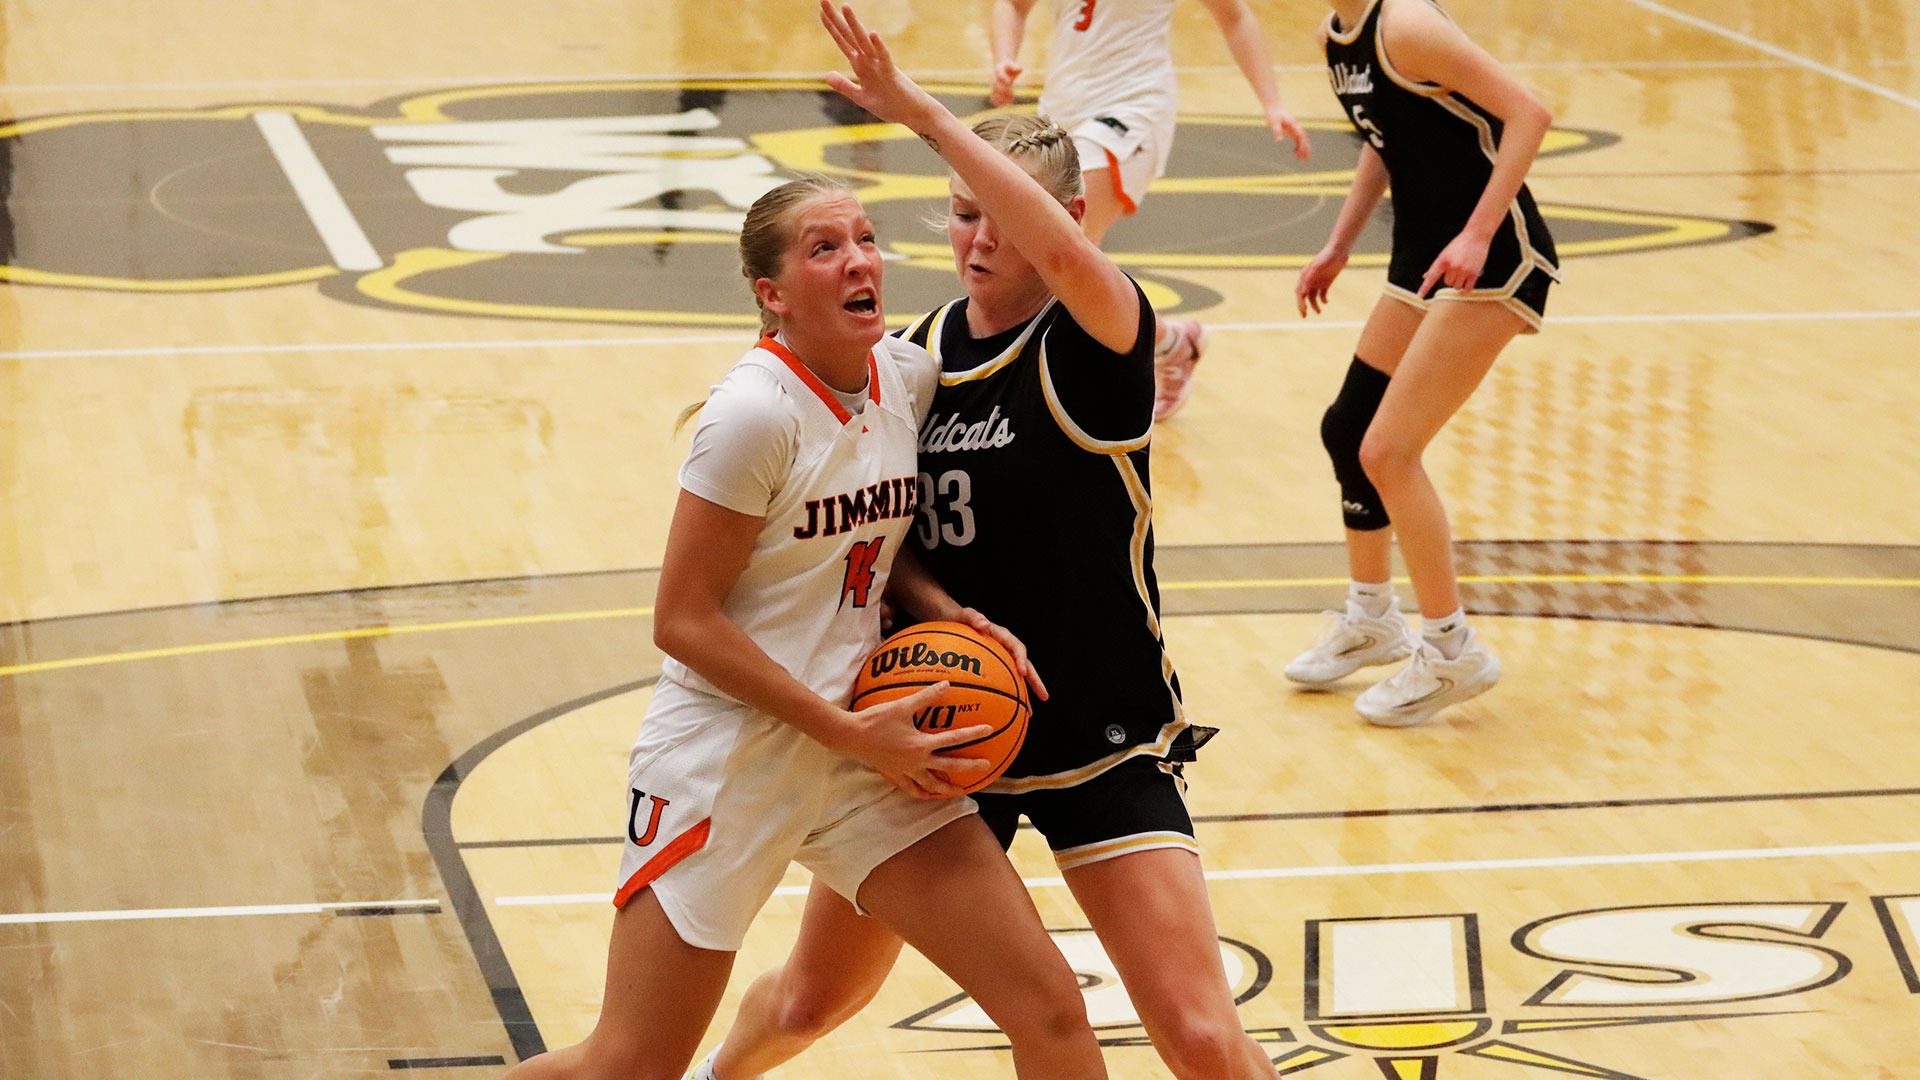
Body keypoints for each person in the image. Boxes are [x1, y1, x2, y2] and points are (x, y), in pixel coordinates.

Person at [685, 6, 1280, 1080]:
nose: (980, 240)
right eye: (960, 216)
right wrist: (927, 599)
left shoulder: (1099, 335)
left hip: (1096, 726)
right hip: (943, 726)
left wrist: (915, 109)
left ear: (1065, 221)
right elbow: (873, 519)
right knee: (816, 995)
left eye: (1002, 216)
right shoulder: (907, 359)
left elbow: (1052, 244)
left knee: (1197, 1033)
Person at [500, 175, 1109, 1080]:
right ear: (772, 293)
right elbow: (682, 620)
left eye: (865, 239)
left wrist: (942, 609)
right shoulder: (752, 416)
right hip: (730, 758)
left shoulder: (903, 375)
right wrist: (843, 729)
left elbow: (869, 530)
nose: (859, 260)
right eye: (825, 248)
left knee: (1050, 1012)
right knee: (628, 1064)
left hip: (869, 751)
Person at [1282, 0, 1560, 727]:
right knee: (1349, 430)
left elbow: (1530, 113)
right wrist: (1340, 243)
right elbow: (1387, 140)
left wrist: (1475, 235)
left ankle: (1451, 651)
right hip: (1423, 254)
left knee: (1390, 451)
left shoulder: (1406, 23)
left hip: (1492, 258)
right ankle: (1373, 618)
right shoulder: (1337, 34)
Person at [988, 0, 1312, 420]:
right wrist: (1004, 59)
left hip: (1134, 107)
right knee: (1061, 259)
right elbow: (1012, 5)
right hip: (1063, 110)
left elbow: (1235, 16)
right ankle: (1168, 342)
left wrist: (1273, 103)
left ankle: (1039, 384)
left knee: (1066, 243)